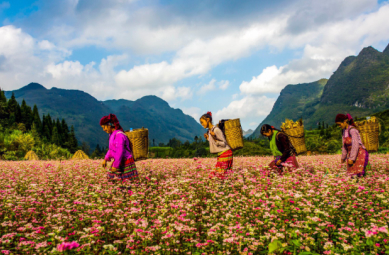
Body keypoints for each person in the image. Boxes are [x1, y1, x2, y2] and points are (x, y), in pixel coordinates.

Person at [100, 114, 139, 189]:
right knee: (115, 181)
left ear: (110, 125)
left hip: (125, 161)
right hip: (119, 161)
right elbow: (111, 149)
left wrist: (116, 165)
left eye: (104, 127)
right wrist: (105, 159)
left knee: (127, 184)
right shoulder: (111, 135)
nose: (103, 129)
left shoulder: (119, 135)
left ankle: (128, 197)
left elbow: (119, 151)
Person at [200, 111, 233, 180]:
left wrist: (214, 138)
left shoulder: (216, 130)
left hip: (225, 153)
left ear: (208, 120)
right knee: (222, 176)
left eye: (202, 122)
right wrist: (208, 138)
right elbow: (215, 143)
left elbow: (223, 144)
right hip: (221, 154)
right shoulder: (210, 131)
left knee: (219, 176)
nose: (202, 124)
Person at [335, 113, 368, 177]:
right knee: (351, 174)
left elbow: (355, 145)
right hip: (352, 154)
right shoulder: (343, 131)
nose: (339, 126)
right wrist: (343, 157)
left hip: (360, 153)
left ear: (345, 121)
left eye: (339, 124)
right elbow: (344, 146)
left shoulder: (352, 130)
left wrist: (352, 159)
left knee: (358, 174)